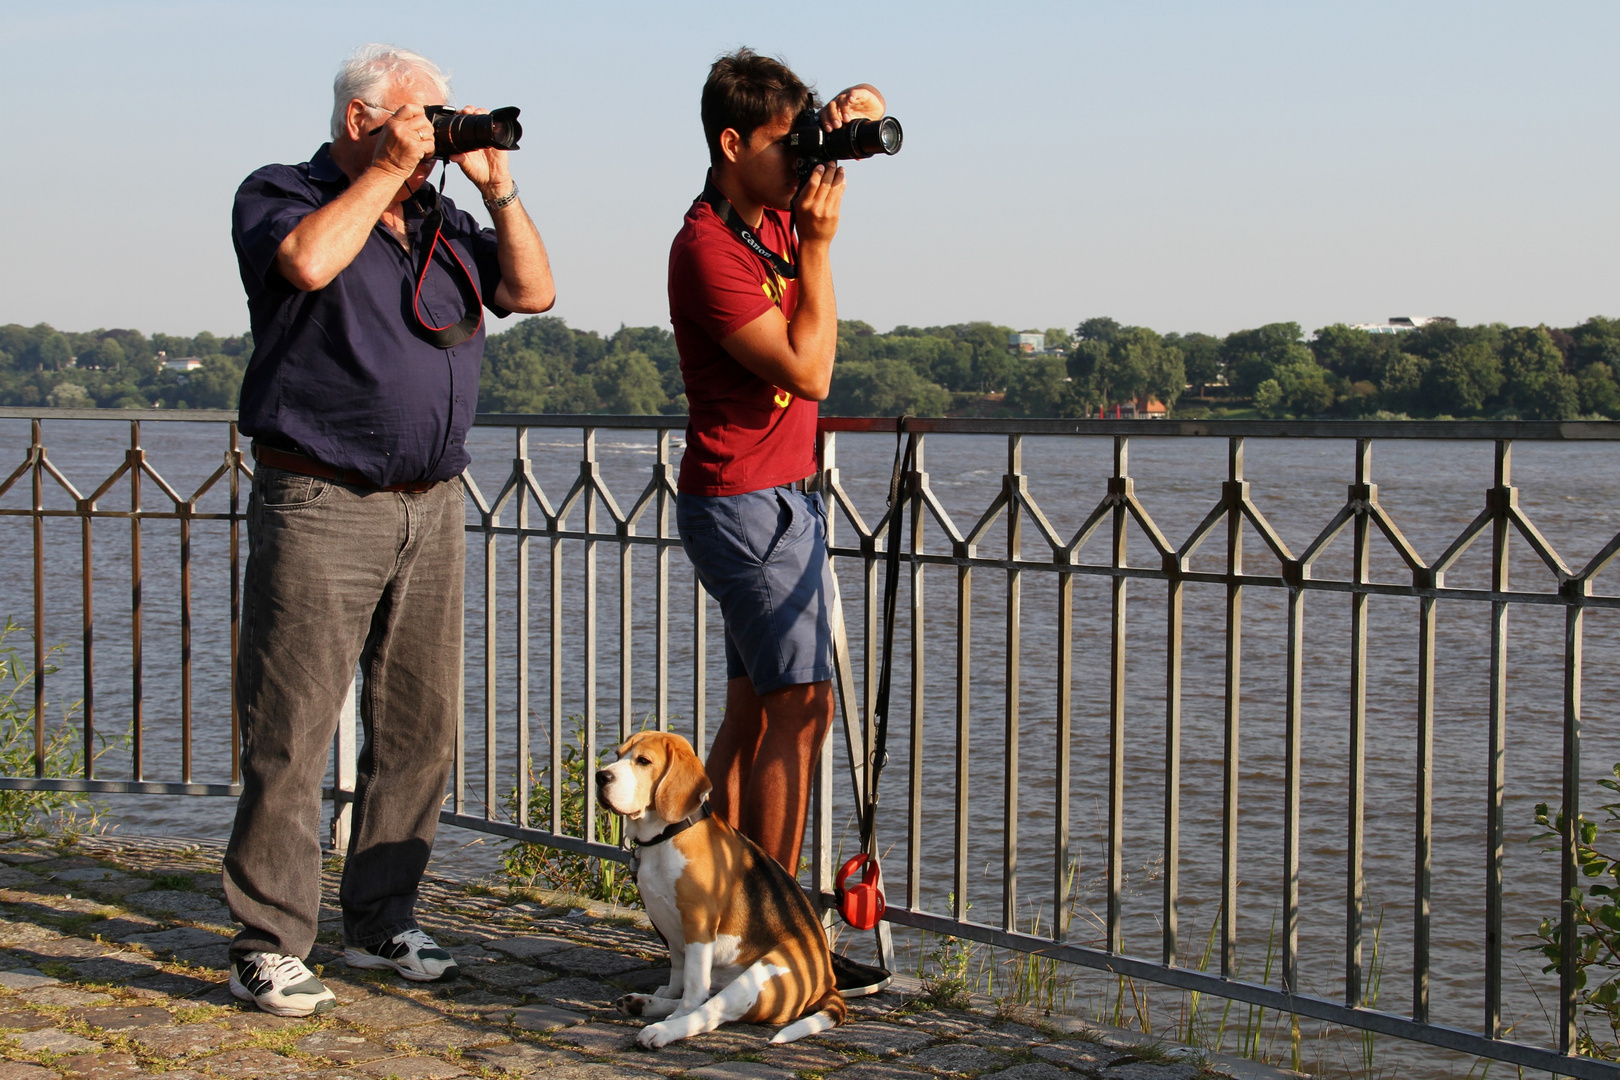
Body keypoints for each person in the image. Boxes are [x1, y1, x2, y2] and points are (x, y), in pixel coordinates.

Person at [224, 44, 554, 1017]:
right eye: (426, 116)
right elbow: (309, 261)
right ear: (365, 118)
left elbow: (532, 291)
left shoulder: (443, 220)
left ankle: (382, 918)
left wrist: (498, 190)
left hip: (431, 502)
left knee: (418, 727)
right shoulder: (281, 191)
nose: (441, 132)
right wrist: (383, 173)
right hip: (322, 497)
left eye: (448, 117)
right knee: (291, 732)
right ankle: (269, 941)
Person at [668, 48, 889, 994]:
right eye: (780, 144)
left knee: (756, 718)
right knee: (802, 714)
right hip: (746, 501)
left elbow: (863, 118)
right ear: (729, 144)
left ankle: (708, 924)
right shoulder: (709, 249)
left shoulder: (763, 222)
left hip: (776, 495)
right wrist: (823, 250)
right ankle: (775, 940)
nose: (801, 163)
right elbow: (810, 370)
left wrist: (852, 113)